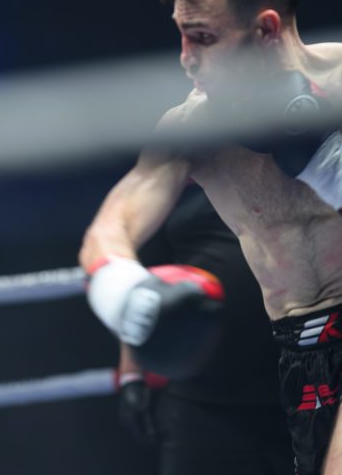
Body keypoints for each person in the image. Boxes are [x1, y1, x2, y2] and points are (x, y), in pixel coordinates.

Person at [80, 0, 342, 473]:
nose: (186, 57)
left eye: (203, 37)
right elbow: (111, 225)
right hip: (297, 355)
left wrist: (333, 166)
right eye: (181, 33)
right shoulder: (191, 128)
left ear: (265, 29)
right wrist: (125, 290)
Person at [117, 184, 293, 474]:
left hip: (302, 386)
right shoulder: (173, 172)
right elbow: (144, 282)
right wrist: (131, 375)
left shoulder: (296, 165)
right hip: (200, 395)